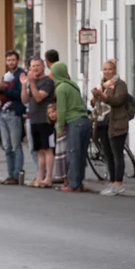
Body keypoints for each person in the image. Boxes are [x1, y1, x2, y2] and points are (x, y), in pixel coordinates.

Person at [91, 59, 130, 196]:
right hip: (103, 123)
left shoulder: (120, 84)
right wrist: (95, 96)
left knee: (117, 154)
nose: (107, 72)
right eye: (105, 69)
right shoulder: (103, 85)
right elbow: (95, 104)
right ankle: (112, 182)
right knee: (107, 155)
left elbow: (118, 100)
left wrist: (103, 95)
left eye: (109, 69)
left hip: (116, 123)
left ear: (115, 70)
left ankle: (118, 183)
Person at [51, 62, 91, 192]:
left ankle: (73, 184)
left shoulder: (61, 88)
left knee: (73, 153)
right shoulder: (73, 85)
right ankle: (79, 182)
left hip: (74, 122)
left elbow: (61, 110)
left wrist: (60, 128)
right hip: (85, 121)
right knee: (81, 155)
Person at [20, 57, 55, 187]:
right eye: (33, 66)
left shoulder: (47, 82)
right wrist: (24, 84)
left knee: (47, 149)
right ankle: (40, 177)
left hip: (45, 119)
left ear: (43, 67)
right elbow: (24, 100)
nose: (35, 68)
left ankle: (49, 178)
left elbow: (39, 98)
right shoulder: (31, 82)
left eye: (38, 66)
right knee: (39, 150)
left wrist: (32, 83)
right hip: (33, 119)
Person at [0, 50, 26, 185]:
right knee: (7, 146)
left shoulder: (21, 75)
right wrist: (0, 89)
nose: (11, 62)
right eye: (8, 60)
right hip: (3, 112)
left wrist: (5, 88)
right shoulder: (6, 76)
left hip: (14, 113)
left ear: (17, 61)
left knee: (15, 146)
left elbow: (20, 95)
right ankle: (10, 174)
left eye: (13, 60)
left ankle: (17, 175)